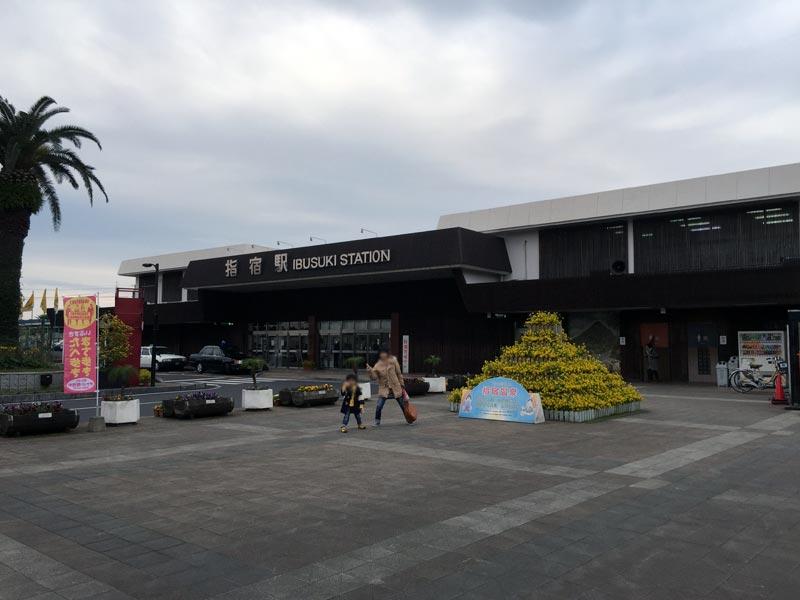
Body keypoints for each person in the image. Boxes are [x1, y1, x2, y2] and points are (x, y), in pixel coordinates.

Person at [367, 349, 405, 426]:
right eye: (381, 353)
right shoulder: (377, 365)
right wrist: (370, 371)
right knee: (379, 406)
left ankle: (409, 418)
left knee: (403, 405)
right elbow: (374, 377)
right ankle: (377, 421)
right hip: (384, 389)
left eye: (384, 353)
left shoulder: (393, 361)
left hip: (395, 387)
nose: (383, 355)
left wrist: (402, 384)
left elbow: (399, 374)